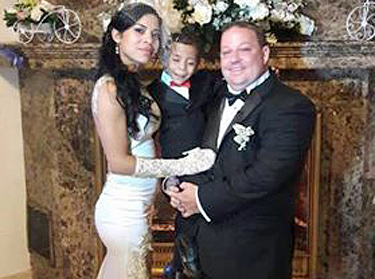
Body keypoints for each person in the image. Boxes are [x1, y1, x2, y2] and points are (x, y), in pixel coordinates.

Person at [169, 21, 316, 279]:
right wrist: (176, 185)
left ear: (265, 54)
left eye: (244, 50)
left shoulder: (292, 106)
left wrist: (201, 199)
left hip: (250, 256)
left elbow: (266, 175)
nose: (233, 59)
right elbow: (194, 150)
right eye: (226, 52)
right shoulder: (212, 95)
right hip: (195, 247)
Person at [91, 3, 215, 279]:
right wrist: (180, 166)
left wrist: (164, 185)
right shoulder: (109, 88)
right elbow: (120, 163)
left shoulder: (133, 83)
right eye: (139, 31)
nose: (149, 40)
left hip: (140, 205)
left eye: (155, 34)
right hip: (123, 208)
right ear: (116, 35)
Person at [148, 31, 217, 278]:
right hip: (175, 168)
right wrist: (165, 177)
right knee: (186, 213)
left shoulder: (206, 82)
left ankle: (183, 267)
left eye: (190, 62)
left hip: (208, 164)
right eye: (176, 60)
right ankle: (183, 266)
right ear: (165, 58)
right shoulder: (152, 93)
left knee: (205, 217)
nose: (182, 68)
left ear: (198, 64)